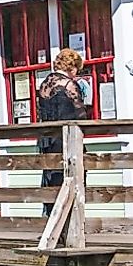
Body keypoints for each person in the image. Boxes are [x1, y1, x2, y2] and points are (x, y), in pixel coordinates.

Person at [33, 49, 91, 189]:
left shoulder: (44, 85)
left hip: (46, 138)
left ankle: (53, 208)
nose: (76, 72)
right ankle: (70, 209)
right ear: (71, 66)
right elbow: (80, 115)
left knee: (52, 177)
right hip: (65, 137)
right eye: (77, 68)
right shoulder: (69, 85)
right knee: (73, 176)